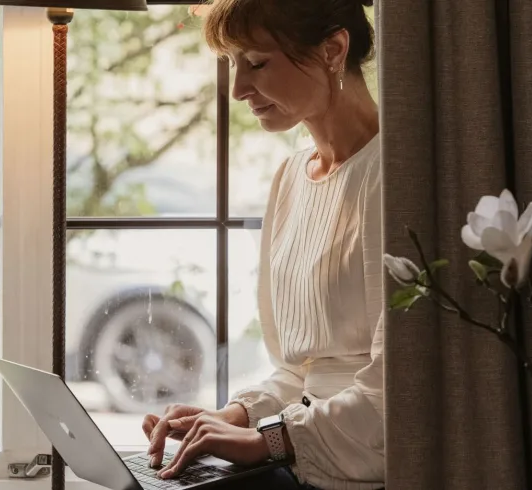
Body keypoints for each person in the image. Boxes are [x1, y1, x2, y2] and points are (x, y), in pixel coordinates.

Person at [140, 0, 384, 489]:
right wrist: (236, 414)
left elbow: (400, 388)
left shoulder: (394, 173)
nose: (237, 90)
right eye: (231, 65)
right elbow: (302, 369)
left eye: (255, 64)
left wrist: (268, 440)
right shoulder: (291, 177)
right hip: (299, 454)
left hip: (362, 466)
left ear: (334, 49)